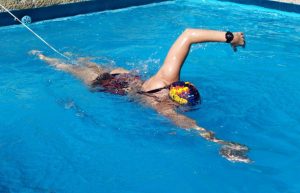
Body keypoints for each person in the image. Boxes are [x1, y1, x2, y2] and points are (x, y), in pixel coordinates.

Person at [31, 29, 250, 163]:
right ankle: (40, 56)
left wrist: (230, 37)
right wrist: (222, 143)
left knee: (83, 60)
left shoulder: (166, 79)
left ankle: (60, 54)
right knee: (66, 67)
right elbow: (193, 127)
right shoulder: (163, 107)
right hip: (105, 85)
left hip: (124, 74)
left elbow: (188, 34)